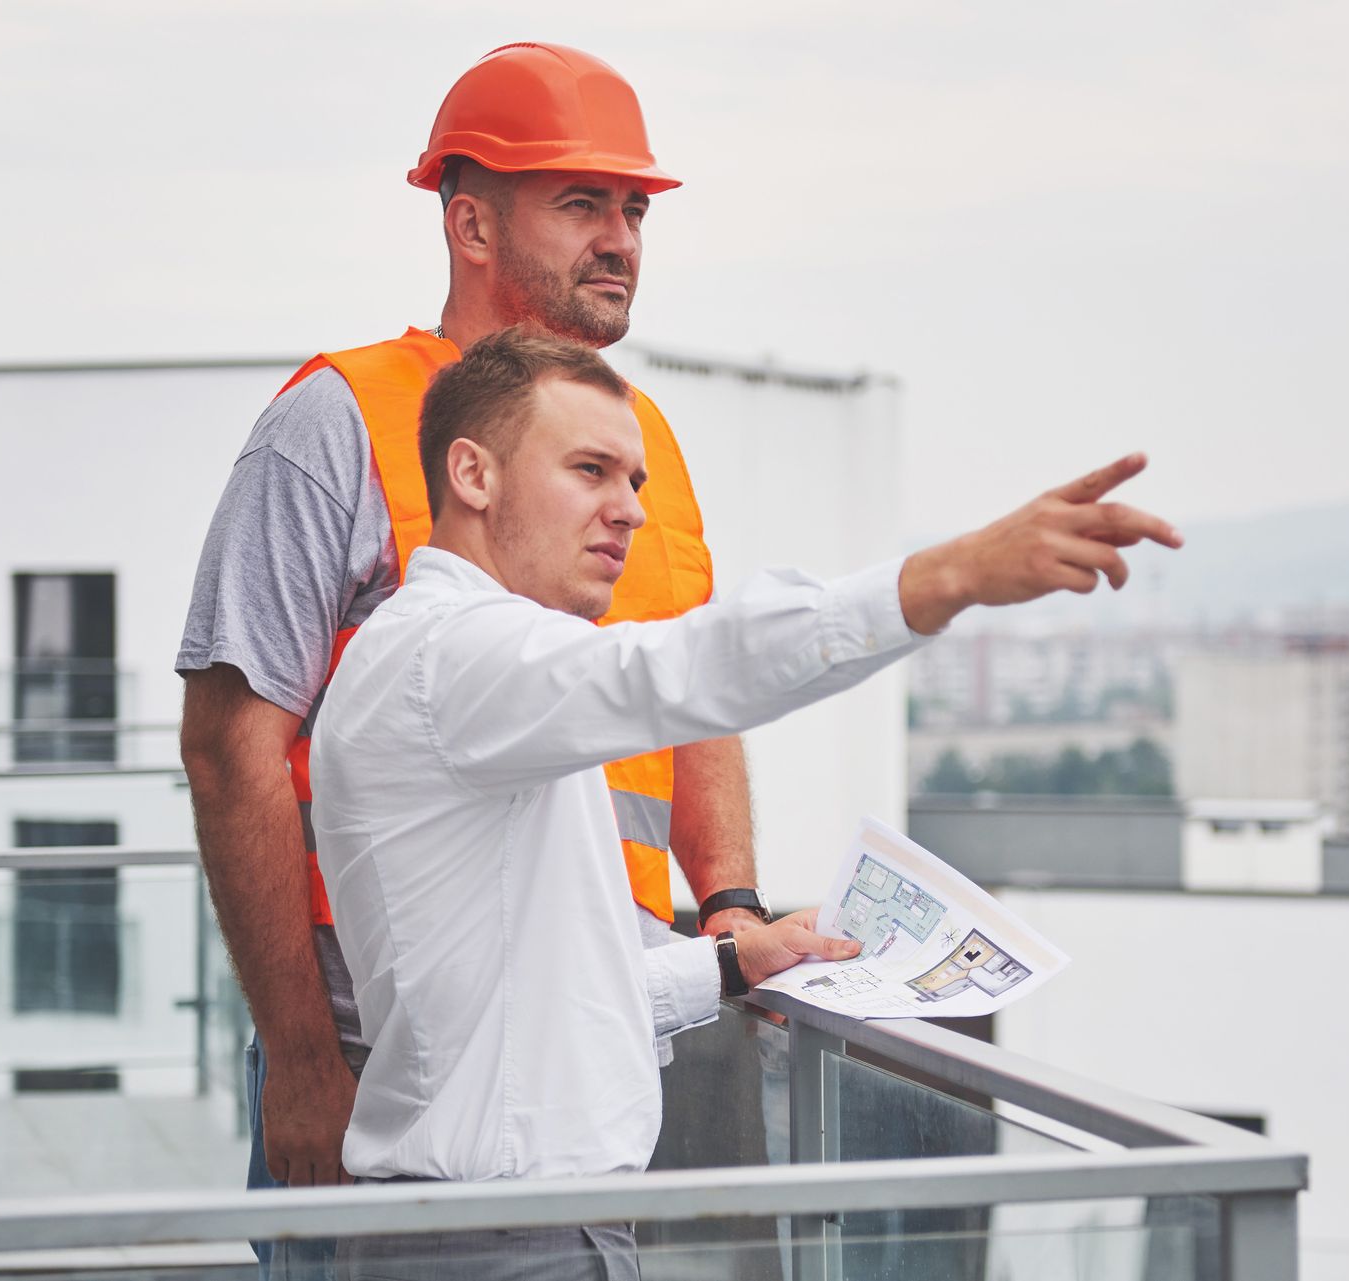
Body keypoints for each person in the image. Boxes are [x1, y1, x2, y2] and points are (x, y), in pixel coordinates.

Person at [311, 328, 1182, 1280]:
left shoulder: (456, 670)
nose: (629, 511)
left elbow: (544, 1008)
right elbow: (680, 667)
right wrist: (949, 574)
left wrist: (735, 961)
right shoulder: (457, 657)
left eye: (636, 481)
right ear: (472, 474)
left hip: (509, 1230)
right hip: (501, 1243)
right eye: (592, 469)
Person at [174, 42, 770, 1280]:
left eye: (635, 208)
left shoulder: (630, 437)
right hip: (384, 1019)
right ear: (468, 222)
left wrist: (733, 911)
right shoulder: (333, 424)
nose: (621, 237)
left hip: (600, 1003)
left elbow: (697, 690)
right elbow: (232, 747)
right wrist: (298, 1054)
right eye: (580, 203)